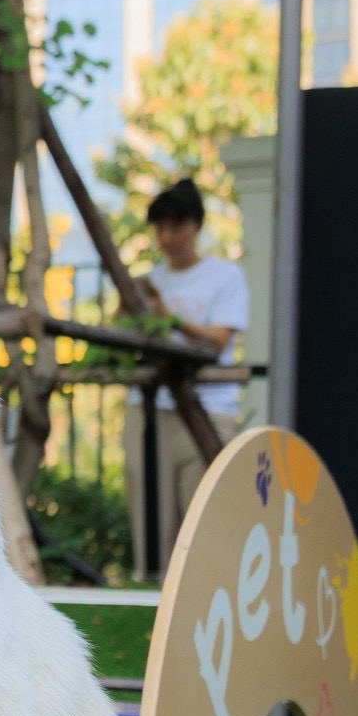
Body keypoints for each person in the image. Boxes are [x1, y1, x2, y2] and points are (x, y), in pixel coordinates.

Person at [126, 178, 248, 576]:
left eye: (176, 226)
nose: (166, 237)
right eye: (160, 227)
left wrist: (169, 318)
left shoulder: (225, 276)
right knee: (151, 519)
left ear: (196, 226)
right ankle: (151, 593)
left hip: (207, 408)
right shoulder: (149, 280)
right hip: (149, 410)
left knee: (204, 519)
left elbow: (218, 340)